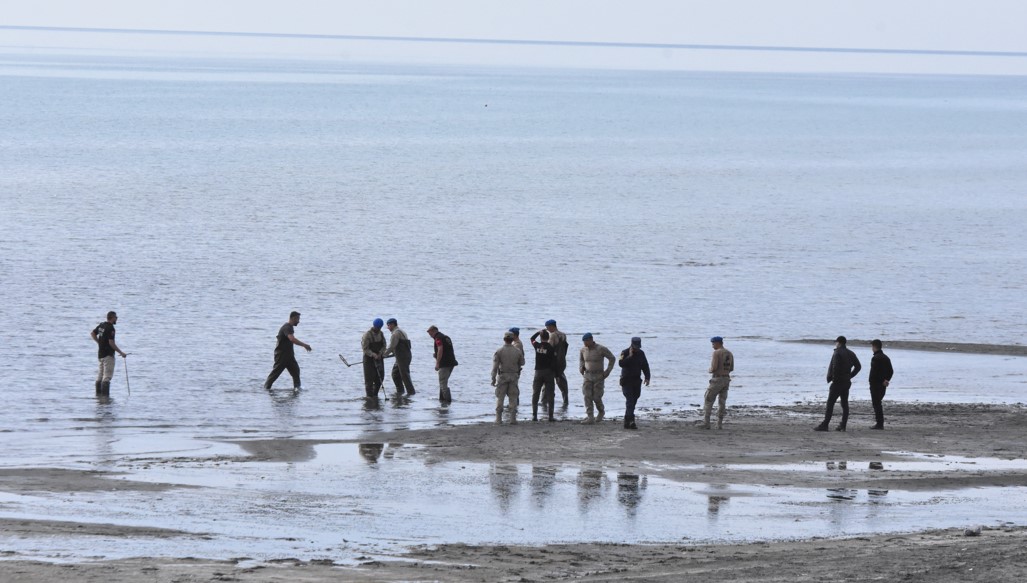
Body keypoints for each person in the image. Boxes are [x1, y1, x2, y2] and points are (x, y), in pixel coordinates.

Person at [814, 336, 862, 431]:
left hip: (838, 382)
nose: (835, 344)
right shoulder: (851, 353)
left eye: (836, 342)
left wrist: (835, 379)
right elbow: (858, 366)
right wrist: (850, 376)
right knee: (844, 403)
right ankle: (843, 425)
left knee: (830, 403)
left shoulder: (837, 352)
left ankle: (825, 424)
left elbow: (835, 367)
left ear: (839, 343)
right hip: (846, 382)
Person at [264, 311, 311, 391]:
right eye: (298, 319)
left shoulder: (290, 327)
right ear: (293, 318)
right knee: (275, 374)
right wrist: (304, 345)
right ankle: (266, 388)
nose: (299, 321)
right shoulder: (287, 327)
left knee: (296, 371)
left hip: (289, 356)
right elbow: (292, 339)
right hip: (281, 356)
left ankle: (297, 389)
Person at [579, 332, 615, 424]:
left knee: (596, 397)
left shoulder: (601, 349)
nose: (585, 343)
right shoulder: (583, 350)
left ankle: (601, 411)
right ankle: (590, 417)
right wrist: (581, 367)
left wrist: (607, 371)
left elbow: (612, 358)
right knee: (587, 396)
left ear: (591, 339)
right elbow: (581, 360)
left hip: (599, 376)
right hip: (587, 376)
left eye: (586, 341)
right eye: (584, 341)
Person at [90, 311, 127, 396]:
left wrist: (99, 342)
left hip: (100, 354)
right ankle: (105, 400)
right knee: (107, 377)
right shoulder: (111, 328)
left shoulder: (101, 325)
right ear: (112, 317)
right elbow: (111, 343)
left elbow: (93, 333)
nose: (116, 319)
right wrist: (121, 353)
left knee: (100, 376)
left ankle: (98, 397)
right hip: (108, 355)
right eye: (116, 317)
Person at [491, 331, 525, 424]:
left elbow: (495, 367)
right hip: (514, 376)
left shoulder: (499, 351)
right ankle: (513, 419)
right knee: (513, 397)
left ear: (504, 339)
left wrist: (493, 378)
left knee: (500, 397)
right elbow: (522, 363)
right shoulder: (517, 351)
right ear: (512, 339)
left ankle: (498, 419)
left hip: (503, 376)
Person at [618, 337, 651, 430]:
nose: (636, 349)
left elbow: (645, 365)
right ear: (631, 345)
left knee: (634, 400)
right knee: (630, 401)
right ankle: (632, 421)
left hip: (636, 381)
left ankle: (626, 421)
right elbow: (621, 363)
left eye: (638, 347)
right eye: (635, 347)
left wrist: (647, 377)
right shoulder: (624, 352)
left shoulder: (641, 353)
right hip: (626, 380)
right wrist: (629, 356)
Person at [703, 336, 735, 429]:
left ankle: (706, 423)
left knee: (708, 399)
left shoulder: (716, 353)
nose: (712, 346)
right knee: (722, 401)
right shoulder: (729, 353)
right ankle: (719, 423)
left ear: (717, 343)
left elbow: (713, 368)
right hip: (726, 379)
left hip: (717, 379)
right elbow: (731, 368)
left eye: (713, 344)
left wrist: (709, 370)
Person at [529, 329, 559, 421]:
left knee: (535, 393)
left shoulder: (537, 346)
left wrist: (538, 332)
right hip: (548, 372)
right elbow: (555, 362)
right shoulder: (551, 348)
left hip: (538, 372)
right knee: (550, 394)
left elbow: (532, 339)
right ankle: (550, 416)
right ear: (548, 337)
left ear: (541, 337)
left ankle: (534, 415)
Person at [384, 318, 415, 396]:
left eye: (388, 326)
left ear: (393, 325)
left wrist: (383, 355)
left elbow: (391, 346)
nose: (388, 328)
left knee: (405, 376)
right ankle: (400, 392)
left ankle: (411, 393)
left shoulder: (395, 334)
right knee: (395, 374)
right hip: (404, 356)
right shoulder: (401, 331)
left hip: (402, 358)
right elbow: (395, 348)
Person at [868, 339, 894, 429]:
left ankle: (879, 423)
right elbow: (891, 371)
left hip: (875, 384)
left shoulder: (875, 358)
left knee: (876, 404)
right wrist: (886, 380)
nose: (871, 348)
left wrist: (871, 381)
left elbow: (874, 373)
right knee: (878, 403)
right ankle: (880, 423)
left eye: (872, 346)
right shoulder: (886, 357)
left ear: (874, 347)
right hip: (883, 385)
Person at [427, 325, 457, 402]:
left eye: (430, 334)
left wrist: (437, 363)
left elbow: (440, 349)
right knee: (443, 382)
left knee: (443, 384)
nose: (430, 336)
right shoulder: (446, 337)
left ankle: (447, 403)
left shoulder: (438, 338)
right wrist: (436, 354)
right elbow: (446, 350)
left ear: (434, 331)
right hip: (451, 362)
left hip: (444, 364)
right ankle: (442, 401)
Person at [545, 319, 571, 406]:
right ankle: (565, 400)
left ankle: (545, 401)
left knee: (547, 382)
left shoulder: (552, 335)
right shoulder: (563, 335)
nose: (547, 329)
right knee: (562, 381)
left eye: (547, 327)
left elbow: (549, 348)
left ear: (552, 326)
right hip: (562, 362)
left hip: (553, 363)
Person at [361, 318, 388, 400]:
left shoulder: (381, 334)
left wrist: (380, 353)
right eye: (377, 327)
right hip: (368, 359)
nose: (378, 329)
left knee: (380, 377)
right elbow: (365, 348)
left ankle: (375, 395)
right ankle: (369, 397)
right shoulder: (367, 335)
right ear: (374, 326)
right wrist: (372, 354)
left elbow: (384, 345)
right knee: (369, 379)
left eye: (379, 328)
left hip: (379, 358)